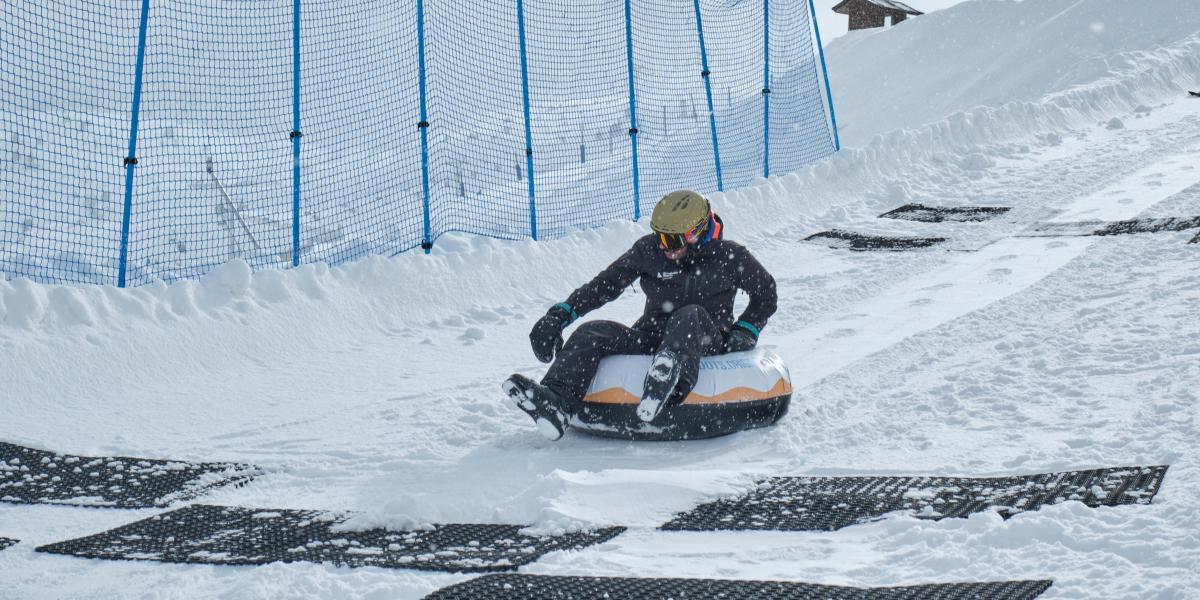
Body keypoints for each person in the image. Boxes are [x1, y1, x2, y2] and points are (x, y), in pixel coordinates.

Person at [502, 189, 778, 440]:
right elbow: (604, 286)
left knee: (689, 314)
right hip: (653, 336)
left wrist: (746, 329)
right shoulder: (649, 251)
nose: (665, 247)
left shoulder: (730, 256)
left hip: (704, 338)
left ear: (696, 233)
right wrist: (559, 316)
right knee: (594, 331)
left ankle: (667, 383)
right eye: (660, 236)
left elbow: (766, 292)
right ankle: (556, 403)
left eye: (672, 239)